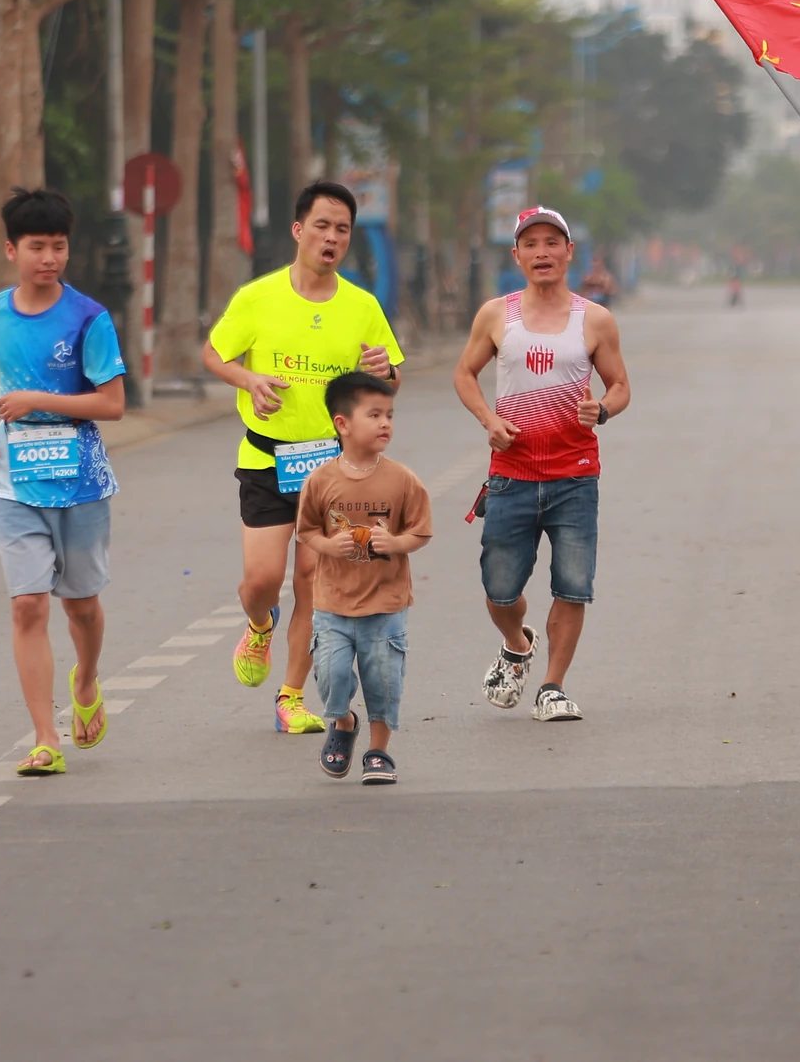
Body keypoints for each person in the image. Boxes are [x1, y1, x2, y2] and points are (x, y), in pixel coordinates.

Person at [204, 181, 404, 736]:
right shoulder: (258, 298)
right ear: (298, 230)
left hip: (335, 470)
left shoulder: (362, 307)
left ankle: (291, 696)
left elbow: (391, 378)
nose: (332, 237)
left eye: (342, 229)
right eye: (322, 225)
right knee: (261, 580)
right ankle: (258, 622)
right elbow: (214, 352)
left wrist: (384, 368)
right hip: (268, 460)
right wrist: (247, 377)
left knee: (314, 581)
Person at [0, 188, 129, 778]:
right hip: (13, 479)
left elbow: (112, 404)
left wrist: (39, 399)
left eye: (58, 247)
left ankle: (85, 678)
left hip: (80, 477)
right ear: (12, 250)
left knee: (81, 606)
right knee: (28, 605)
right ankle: (44, 737)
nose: (49, 258)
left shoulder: (89, 317)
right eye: (37, 247)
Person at [454, 205, 632, 722]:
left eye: (552, 243)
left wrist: (603, 408)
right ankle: (517, 641)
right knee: (500, 588)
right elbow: (465, 374)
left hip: (575, 475)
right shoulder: (496, 314)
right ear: (517, 255)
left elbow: (620, 386)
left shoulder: (594, 319)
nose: (542, 253)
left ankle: (552, 686)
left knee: (572, 585)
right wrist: (488, 418)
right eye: (530, 245)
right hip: (510, 474)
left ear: (568, 252)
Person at [295, 371, 434, 784]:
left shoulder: (402, 479)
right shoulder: (320, 480)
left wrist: (395, 543)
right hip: (333, 602)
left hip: (385, 603)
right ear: (343, 424)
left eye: (389, 414)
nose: (385, 423)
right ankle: (343, 724)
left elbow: (421, 531)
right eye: (374, 415)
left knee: (383, 679)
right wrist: (327, 547)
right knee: (332, 673)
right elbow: (306, 531)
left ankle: (378, 751)